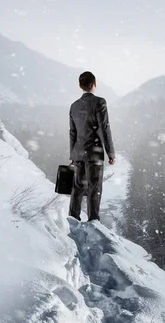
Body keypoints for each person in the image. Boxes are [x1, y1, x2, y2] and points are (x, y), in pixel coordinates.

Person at [69, 71, 115, 221]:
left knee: (77, 188)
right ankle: (93, 221)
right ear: (94, 84)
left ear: (79, 86)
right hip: (94, 153)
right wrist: (111, 153)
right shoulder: (100, 102)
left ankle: (73, 219)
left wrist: (73, 156)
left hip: (78, 153)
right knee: (94, 188)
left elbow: (73, 133)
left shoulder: (74, 106)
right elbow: (104, 128)